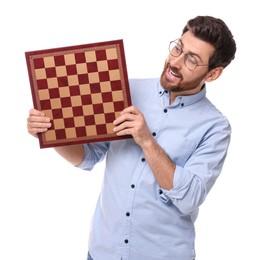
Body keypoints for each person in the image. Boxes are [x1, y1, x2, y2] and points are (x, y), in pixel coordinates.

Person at [27, 15, 236, 260]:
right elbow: (88, 157)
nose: (175, 61)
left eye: (191, 59)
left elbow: (189, 198)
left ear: (213, 74)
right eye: (178, 48)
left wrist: (147, 141)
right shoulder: (127, 89)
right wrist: (51, 132)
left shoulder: (215, 127)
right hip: (103, 252)